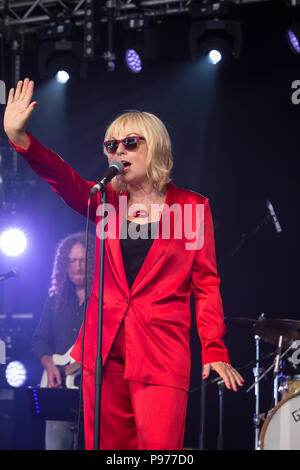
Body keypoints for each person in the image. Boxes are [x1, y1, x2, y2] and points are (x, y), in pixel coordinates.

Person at [4, 78, 244, 450]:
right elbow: (61, 177)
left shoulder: (193, 208)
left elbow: (206, 282)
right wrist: (21, 139)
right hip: (103, 352)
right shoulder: (104, 202)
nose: (119, 150)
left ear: (156, 147)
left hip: (161, 352)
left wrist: (213, 346)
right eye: (111, 145)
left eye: (130, 143)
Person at [32, 232, 95, 450]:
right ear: (64, 265)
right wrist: (50, 366)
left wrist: (86, 360)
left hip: (91, 391)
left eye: (82, 260)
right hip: (60, 390)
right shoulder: (54, 300)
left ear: (92, 263)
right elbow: (39, 339)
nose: (77, 267)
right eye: (72, 261)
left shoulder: (102, 301)